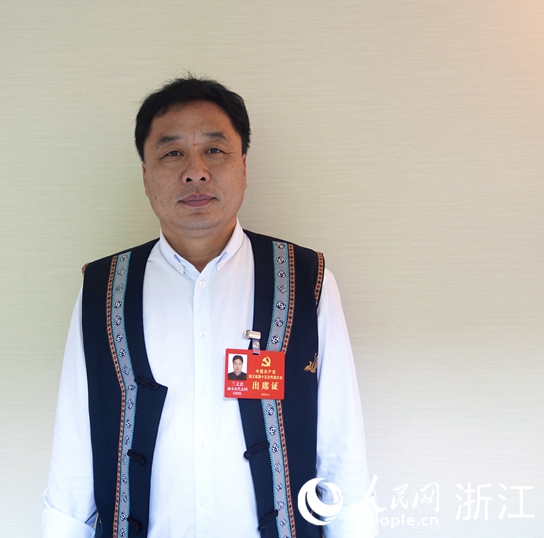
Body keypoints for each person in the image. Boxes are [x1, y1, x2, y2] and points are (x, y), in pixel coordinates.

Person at [42, 76, 378, 538]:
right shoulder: (103, 289)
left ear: (243, 166)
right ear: (145, 175)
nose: (195, 171)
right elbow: (74, 458)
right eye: (172, 152)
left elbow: (341, 450)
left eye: (214, 150)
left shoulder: (305, 280)